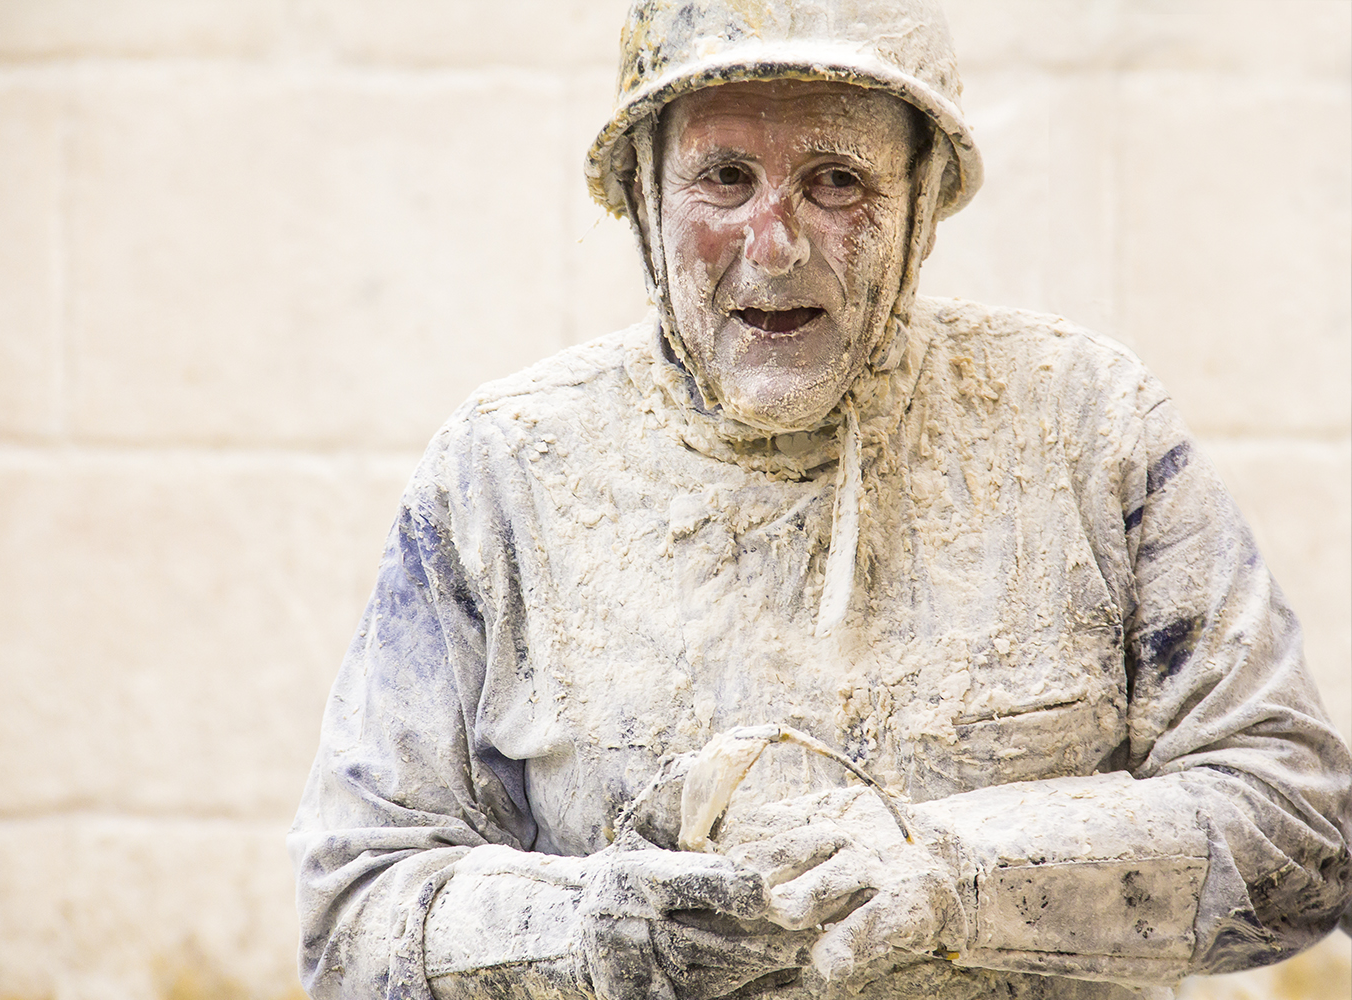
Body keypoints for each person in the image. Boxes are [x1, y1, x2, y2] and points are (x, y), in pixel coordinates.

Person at [288, 2, 1352, 997]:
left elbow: (1302, 836)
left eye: (838, 180)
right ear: (646, 206)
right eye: (725, 178)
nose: (775, 242)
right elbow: (352, 912)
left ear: (922, 204)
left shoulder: (1086, 425)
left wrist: (961, 876)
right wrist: (595, 929)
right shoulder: (505, 468)